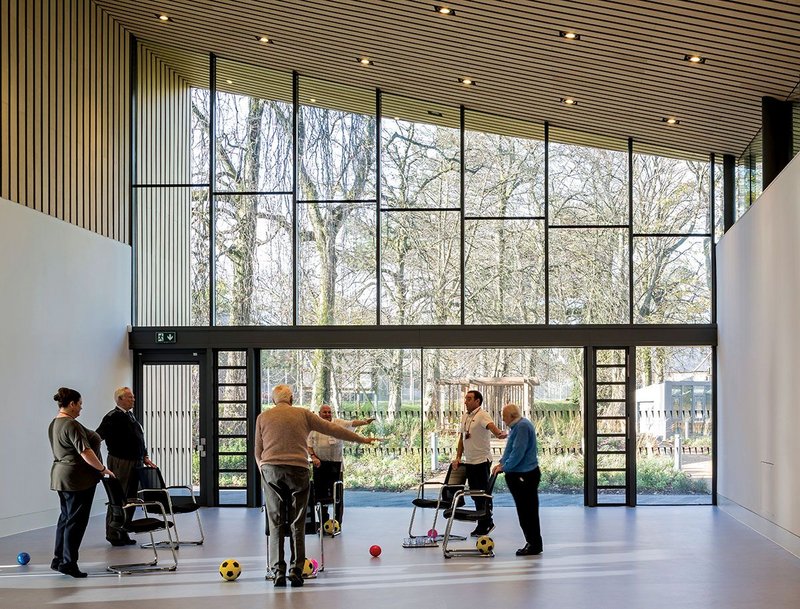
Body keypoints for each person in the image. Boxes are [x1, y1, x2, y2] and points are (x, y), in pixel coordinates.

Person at [256, 385, 379, 588]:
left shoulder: (263, 417)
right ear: (292, 398)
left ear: (273, 400)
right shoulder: (304, 414)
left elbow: (258, 452)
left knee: (275, 520)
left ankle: (278, 572)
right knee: (298, 520)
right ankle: (296, 571)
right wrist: (361, 439)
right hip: (298, 469)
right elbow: (334, 429)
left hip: (271, 470)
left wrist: (264, 469)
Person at [49, 387, 115, 578]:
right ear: (71, 404)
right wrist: (102, 469)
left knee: (66, 518)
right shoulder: (71, 425)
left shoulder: (54, 423)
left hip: (62, 476)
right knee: (75, 522)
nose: (80, 409)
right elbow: (85, 452)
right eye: (79, 405)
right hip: (77, 478)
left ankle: (59, 559)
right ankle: (68, 563)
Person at [96, 387, 156, 546]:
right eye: (130, 397)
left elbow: (138, 439)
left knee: (131, 499)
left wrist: (145, 456)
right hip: (120, 462)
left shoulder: (130, 416)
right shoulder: (112, 417)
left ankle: (124, 531)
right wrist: (99, 462)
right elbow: (97, 437)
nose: (133, 399)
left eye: (133, 396)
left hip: (136, 461)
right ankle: (113, 533)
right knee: (118, 498)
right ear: (120, 399)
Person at [307, 404, 375, 525]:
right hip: (320, 466)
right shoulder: (314, 426)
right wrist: (313, 457)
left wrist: (365, 422)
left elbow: (351, 423)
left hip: (336, 466)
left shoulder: (337, 423)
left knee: (337, 496)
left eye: (329, 412)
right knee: (321, 497)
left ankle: (338, 524)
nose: (327, 414)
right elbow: (308, 444)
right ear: (319, 413)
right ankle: (324, 523)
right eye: (325, 412)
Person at [452, 389, 506, 537]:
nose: (465, 401)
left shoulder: (482, 415)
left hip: (481, 461)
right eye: (465, 399)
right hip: (470, 461)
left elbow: (492, 427)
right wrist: (458, 457)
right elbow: (462, 439)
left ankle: (487, 522)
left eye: (469, 399)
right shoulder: (465, 416)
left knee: (483, 493)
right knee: (475, 495)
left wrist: (499, 433)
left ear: (477, 401)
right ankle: (482, 523)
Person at [492, 403, 542, 556]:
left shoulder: (521, 427)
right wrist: (501, 463)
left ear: (512, 416)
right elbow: (510, 449)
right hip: (520, 474)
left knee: (528, 512)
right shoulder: (517, 427)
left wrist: (505, 467)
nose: (502, 418)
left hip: (525, 475)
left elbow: (518, 452)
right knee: (525, 511)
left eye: (504, 416)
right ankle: (532, 542)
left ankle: (534, 544)